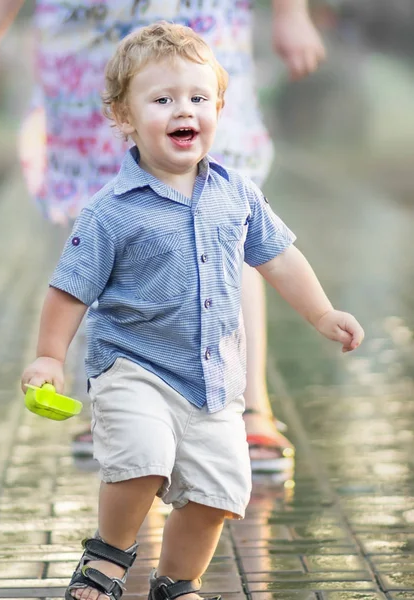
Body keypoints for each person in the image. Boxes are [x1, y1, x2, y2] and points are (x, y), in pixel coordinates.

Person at [20, 22, 363, 600]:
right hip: (133, 369)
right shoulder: (110, 210)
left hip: (214, 382)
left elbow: (279, 259)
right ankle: (106, 558)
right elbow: (69, 289)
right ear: (123, 116)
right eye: (163, 99)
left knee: (219, 494)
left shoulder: (238, 194)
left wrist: (323, 314)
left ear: (219, 108)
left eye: (198, 98)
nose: (185, 110)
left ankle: (176, 583)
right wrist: (50, 357)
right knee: (143, 458)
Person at [0, 0, 326, 473]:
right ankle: (116, 402)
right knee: (96, 211)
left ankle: (245, 403)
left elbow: (274, 252)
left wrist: (291, 12)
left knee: (223, 205)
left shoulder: (205, 101)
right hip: (86, 29)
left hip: (199, 19)